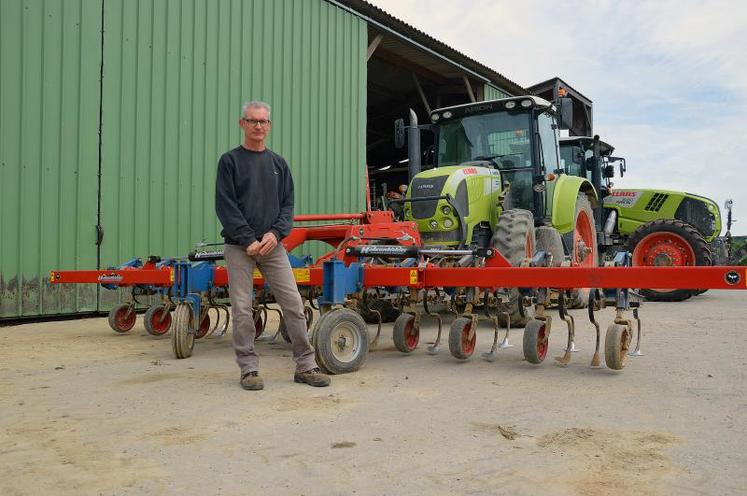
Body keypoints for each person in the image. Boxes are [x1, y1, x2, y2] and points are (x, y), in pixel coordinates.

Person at [215, 100, 330, 390]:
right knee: (242, 308)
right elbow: (225, 206)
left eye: (263, 121)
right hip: (239, 247)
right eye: (252, 121)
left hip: (273, 246)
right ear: (242, 124)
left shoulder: (278, 164)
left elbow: (287, 206)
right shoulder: (230, 162)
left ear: (269, 126)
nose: (258, 126)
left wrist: (276, 235)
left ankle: (305, 365)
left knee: (293, 304)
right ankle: (249, 369)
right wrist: (247, 239)